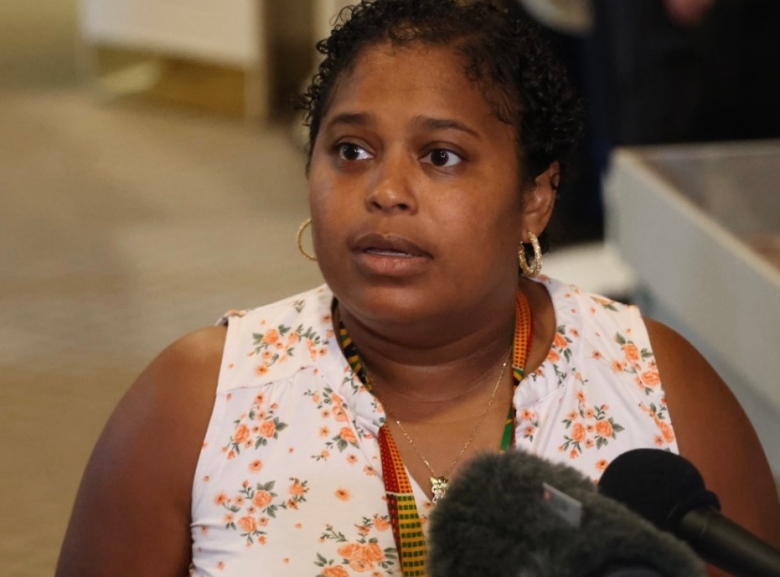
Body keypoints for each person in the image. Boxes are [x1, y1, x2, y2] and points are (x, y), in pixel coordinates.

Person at [55, 1, 780, 576]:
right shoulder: (197, 400)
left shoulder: (654, 384)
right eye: (350, 150)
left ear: (536, 195)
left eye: (441, 155)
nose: (386, 190)